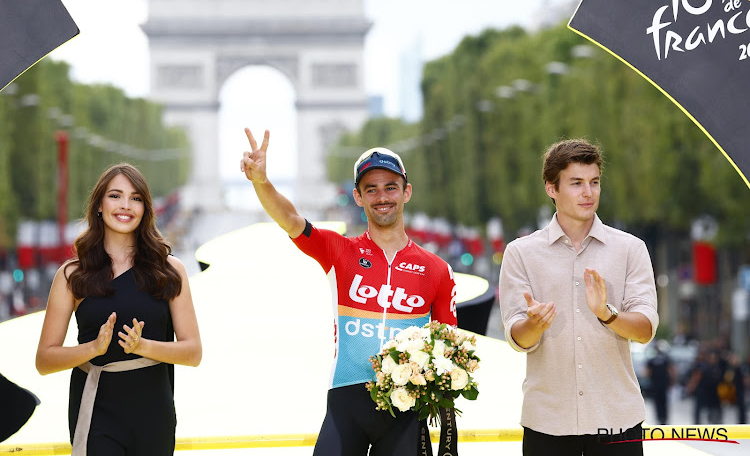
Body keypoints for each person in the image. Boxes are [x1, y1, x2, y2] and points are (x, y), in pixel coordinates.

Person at [240, 129, 457, 456]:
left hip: (406, 411)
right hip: (346, 404)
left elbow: (448, 355)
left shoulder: (437, 269)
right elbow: (290, 219)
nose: (382, 197)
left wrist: (448, 436)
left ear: (406, 192)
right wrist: (261, 182)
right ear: (358, 196)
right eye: (371, 189)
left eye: (390, 188)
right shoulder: (337, 250)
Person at [498, 138, 659, 455]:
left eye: (594, 182)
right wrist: (534, 324)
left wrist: (607, 314)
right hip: (547, 423)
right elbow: (517, 338)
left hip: (617, 422)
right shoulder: (520, 253)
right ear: (551, 188)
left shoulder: (631, 249)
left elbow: (645, 330)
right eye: (576, 183)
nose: (589, 192)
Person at [36, 163, 202, 455]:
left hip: (154, 415)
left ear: (145, 209)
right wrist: (93, 349)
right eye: (115, 196)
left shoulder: (170, 270)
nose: (126, 205)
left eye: (136, 198)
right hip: (95, 411)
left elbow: (193, 353)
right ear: (99, 205)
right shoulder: (72, 274)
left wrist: (143, 345)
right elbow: (44, 360)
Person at [646, 340, 675, 425]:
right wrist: (672, 381)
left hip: (655, 384)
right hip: (664, 384)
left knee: (657, 402)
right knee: (664, 402)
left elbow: (647, 372)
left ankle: (659, 418)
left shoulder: (651, 360)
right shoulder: (666, 358)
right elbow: (671, 370)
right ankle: (664, 418)